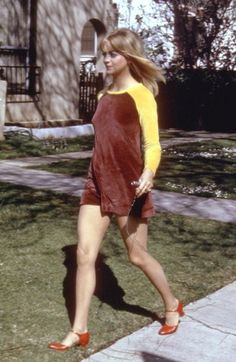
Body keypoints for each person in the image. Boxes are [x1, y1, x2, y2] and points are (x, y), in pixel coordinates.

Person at [48, 28, 184, 351]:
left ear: (128, 56)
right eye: (104, 53)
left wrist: (149, 172)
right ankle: (79, 330)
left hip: (130, 186)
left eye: (113, 54)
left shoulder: (142, 95)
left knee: (137, 256)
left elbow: (153, 144)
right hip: (96, 183)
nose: (105, 59)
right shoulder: (102, 96)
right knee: (83, 255)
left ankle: (172, 304)